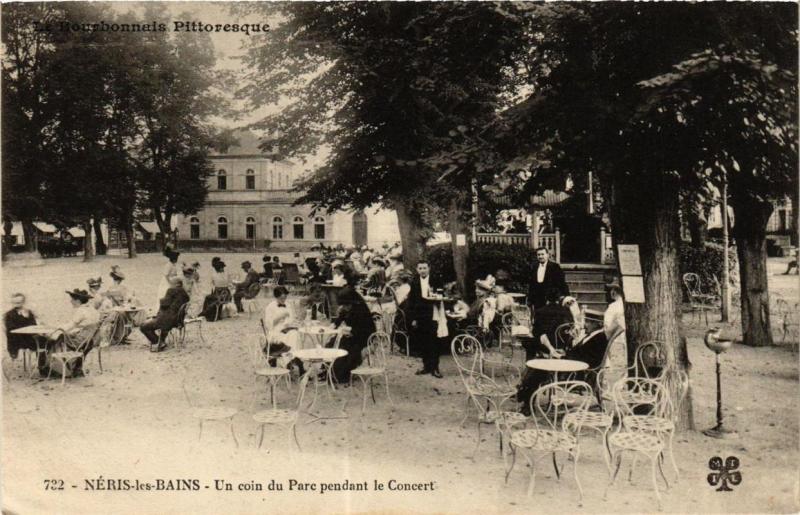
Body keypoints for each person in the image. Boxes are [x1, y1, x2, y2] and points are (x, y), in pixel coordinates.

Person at [516, 284, 626, 412]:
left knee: (538, 368)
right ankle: (525, 393)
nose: (586, 324)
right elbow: (583, 351)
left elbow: (587, 356)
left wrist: (564, 356)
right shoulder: (595, 335)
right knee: (538, 366)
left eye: (589, 322)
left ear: (597, 324)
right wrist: (565, 352)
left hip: (576, 369)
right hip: (573, 361)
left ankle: (525, 398)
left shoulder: (598, 338)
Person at [46, 289, 101, 377]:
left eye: (72, 300)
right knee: (61, 335)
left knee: (54, 338)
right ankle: (75, 368)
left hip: (80, 341)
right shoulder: (93, 310)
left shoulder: (81, 311)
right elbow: (82, 326)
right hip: (91, 340)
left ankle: (52, 368)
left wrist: (56, 328)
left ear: (78, 301)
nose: (70, 301)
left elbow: (70, 325)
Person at [406, 260, 444, 377]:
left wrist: (436, 297)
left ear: (429, 268)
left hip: (433, 313)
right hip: (420, 315)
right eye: (420, 268)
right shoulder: (414, 282)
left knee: (434, 341)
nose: (422, 270)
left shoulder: (436, 280)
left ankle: (435, 367)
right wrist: (413, 318)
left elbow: (441, 294)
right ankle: (426, 366)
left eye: (424, 268)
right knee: (423, 341)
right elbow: (411, 301)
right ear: (417, 270)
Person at [329, 286, 373, 383]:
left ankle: (341, 373)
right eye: (344, 305)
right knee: (332, 342)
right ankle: (329, 370)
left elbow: (366, 330)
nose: (345, 307)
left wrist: (351, 332)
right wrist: (334, 325)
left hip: (362, 338)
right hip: (351, 336)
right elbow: (339, 319)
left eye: (347, 305)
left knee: (345, 348)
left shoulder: (361, 311)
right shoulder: (346, 308)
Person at [140, 276, 189, 352]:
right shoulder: (185, 293)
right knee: (158, 321)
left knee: (143, 326)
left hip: (168, 320)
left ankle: (157, 341)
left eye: (171, 283)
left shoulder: (171, 290)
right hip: (178, 321)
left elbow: (165, 304)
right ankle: (161, 340)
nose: (170, 284)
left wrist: (161, 299)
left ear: (176, 284)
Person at [4, 293, 38, 360]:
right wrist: (24, 318)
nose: (17, 305)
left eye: (19, 303)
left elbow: (34, 325)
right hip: (17, 340)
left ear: (23, 302)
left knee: (45, 342)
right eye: (15, 303)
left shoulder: (28, 312)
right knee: (40, 343)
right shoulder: (9, 314)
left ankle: (44, 365)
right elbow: (11, 329)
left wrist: (28, 317)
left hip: (29, 337)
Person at [200, 257, 232, 321]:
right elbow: (229, 283)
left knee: (207, 298)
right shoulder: (226, 275)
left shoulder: (214, 275)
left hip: (219, 295)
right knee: (213, 299)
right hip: (227, 295)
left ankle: (205, 312)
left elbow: (211, 285)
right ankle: (216, 314)